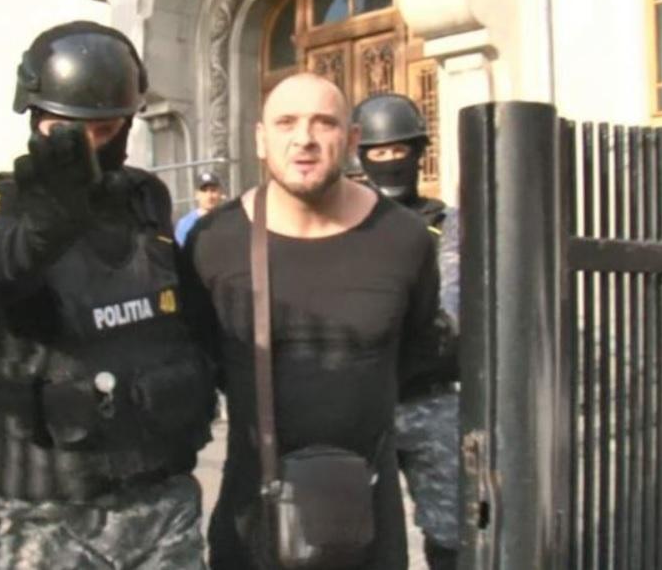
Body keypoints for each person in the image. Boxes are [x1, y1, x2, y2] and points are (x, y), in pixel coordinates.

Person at [0, 21, 215, 569]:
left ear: (127, 124)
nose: (83, 145)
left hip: (161, 503)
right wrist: (48, 222)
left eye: (102, 128)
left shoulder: (145, 198)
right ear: (35, 118)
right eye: (63, 129)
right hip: (45, 513)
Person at [180, 72, 453, 570]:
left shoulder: (405, 238)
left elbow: (414, 355)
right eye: (286, 122)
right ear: (260, 139)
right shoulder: (213, 242)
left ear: (351, 140)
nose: (304, 138)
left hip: (368, 530)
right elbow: (203, 357)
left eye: (324, 122)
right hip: (253, 527)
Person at [352, 92, 461, 570]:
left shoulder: (447, 225)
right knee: (352, 536)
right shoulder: (344, 224)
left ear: (418, 153)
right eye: (379, 151)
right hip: (361, 402)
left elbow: (452, 311)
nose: (390, 160)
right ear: (362, 157)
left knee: (453, 532)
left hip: (429, 400)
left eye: (399, 149)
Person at [175, 171, 225, 245]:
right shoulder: (186, 224)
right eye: (204, 191)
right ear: (196, 195)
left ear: (220, 193)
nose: (209, 196)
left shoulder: (229, 221)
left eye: (213, 190)